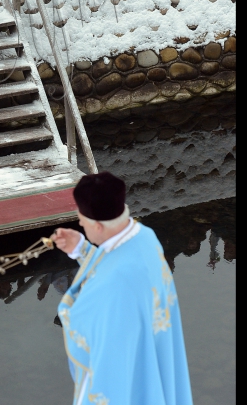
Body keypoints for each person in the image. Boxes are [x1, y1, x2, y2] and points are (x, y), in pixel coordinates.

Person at [52, 172, 193, 405]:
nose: (79, 223)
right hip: (150, 351)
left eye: (82, 220)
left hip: (122, 374)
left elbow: (81, 324)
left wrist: (66, 311)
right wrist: (82, 249)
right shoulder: (145, 237)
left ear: (97, 226)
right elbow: (116, 261)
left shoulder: (112, 282)